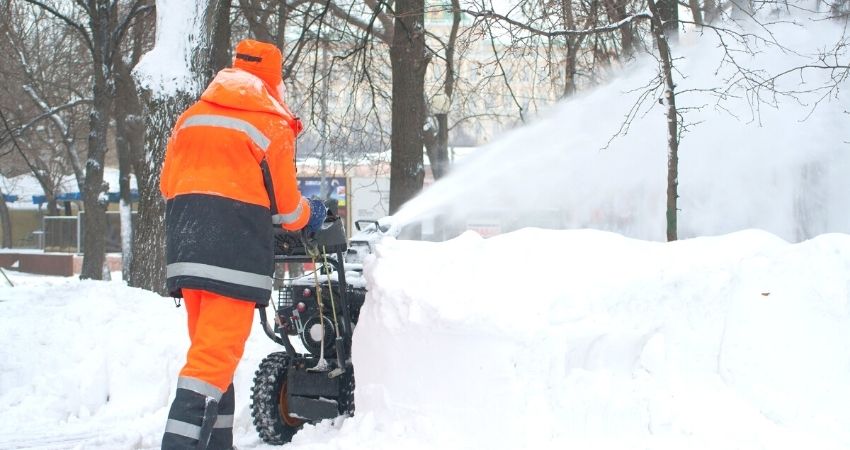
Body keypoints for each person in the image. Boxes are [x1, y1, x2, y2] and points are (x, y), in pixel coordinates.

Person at [159, 39, 327, 450]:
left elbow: (168, 186)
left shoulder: (191, 117)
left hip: (187, 253)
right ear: (273, 80)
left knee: (215, 361)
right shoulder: (270, 124)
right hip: (232, 259)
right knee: (211, 364)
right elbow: (288, 211)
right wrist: (314, 214)